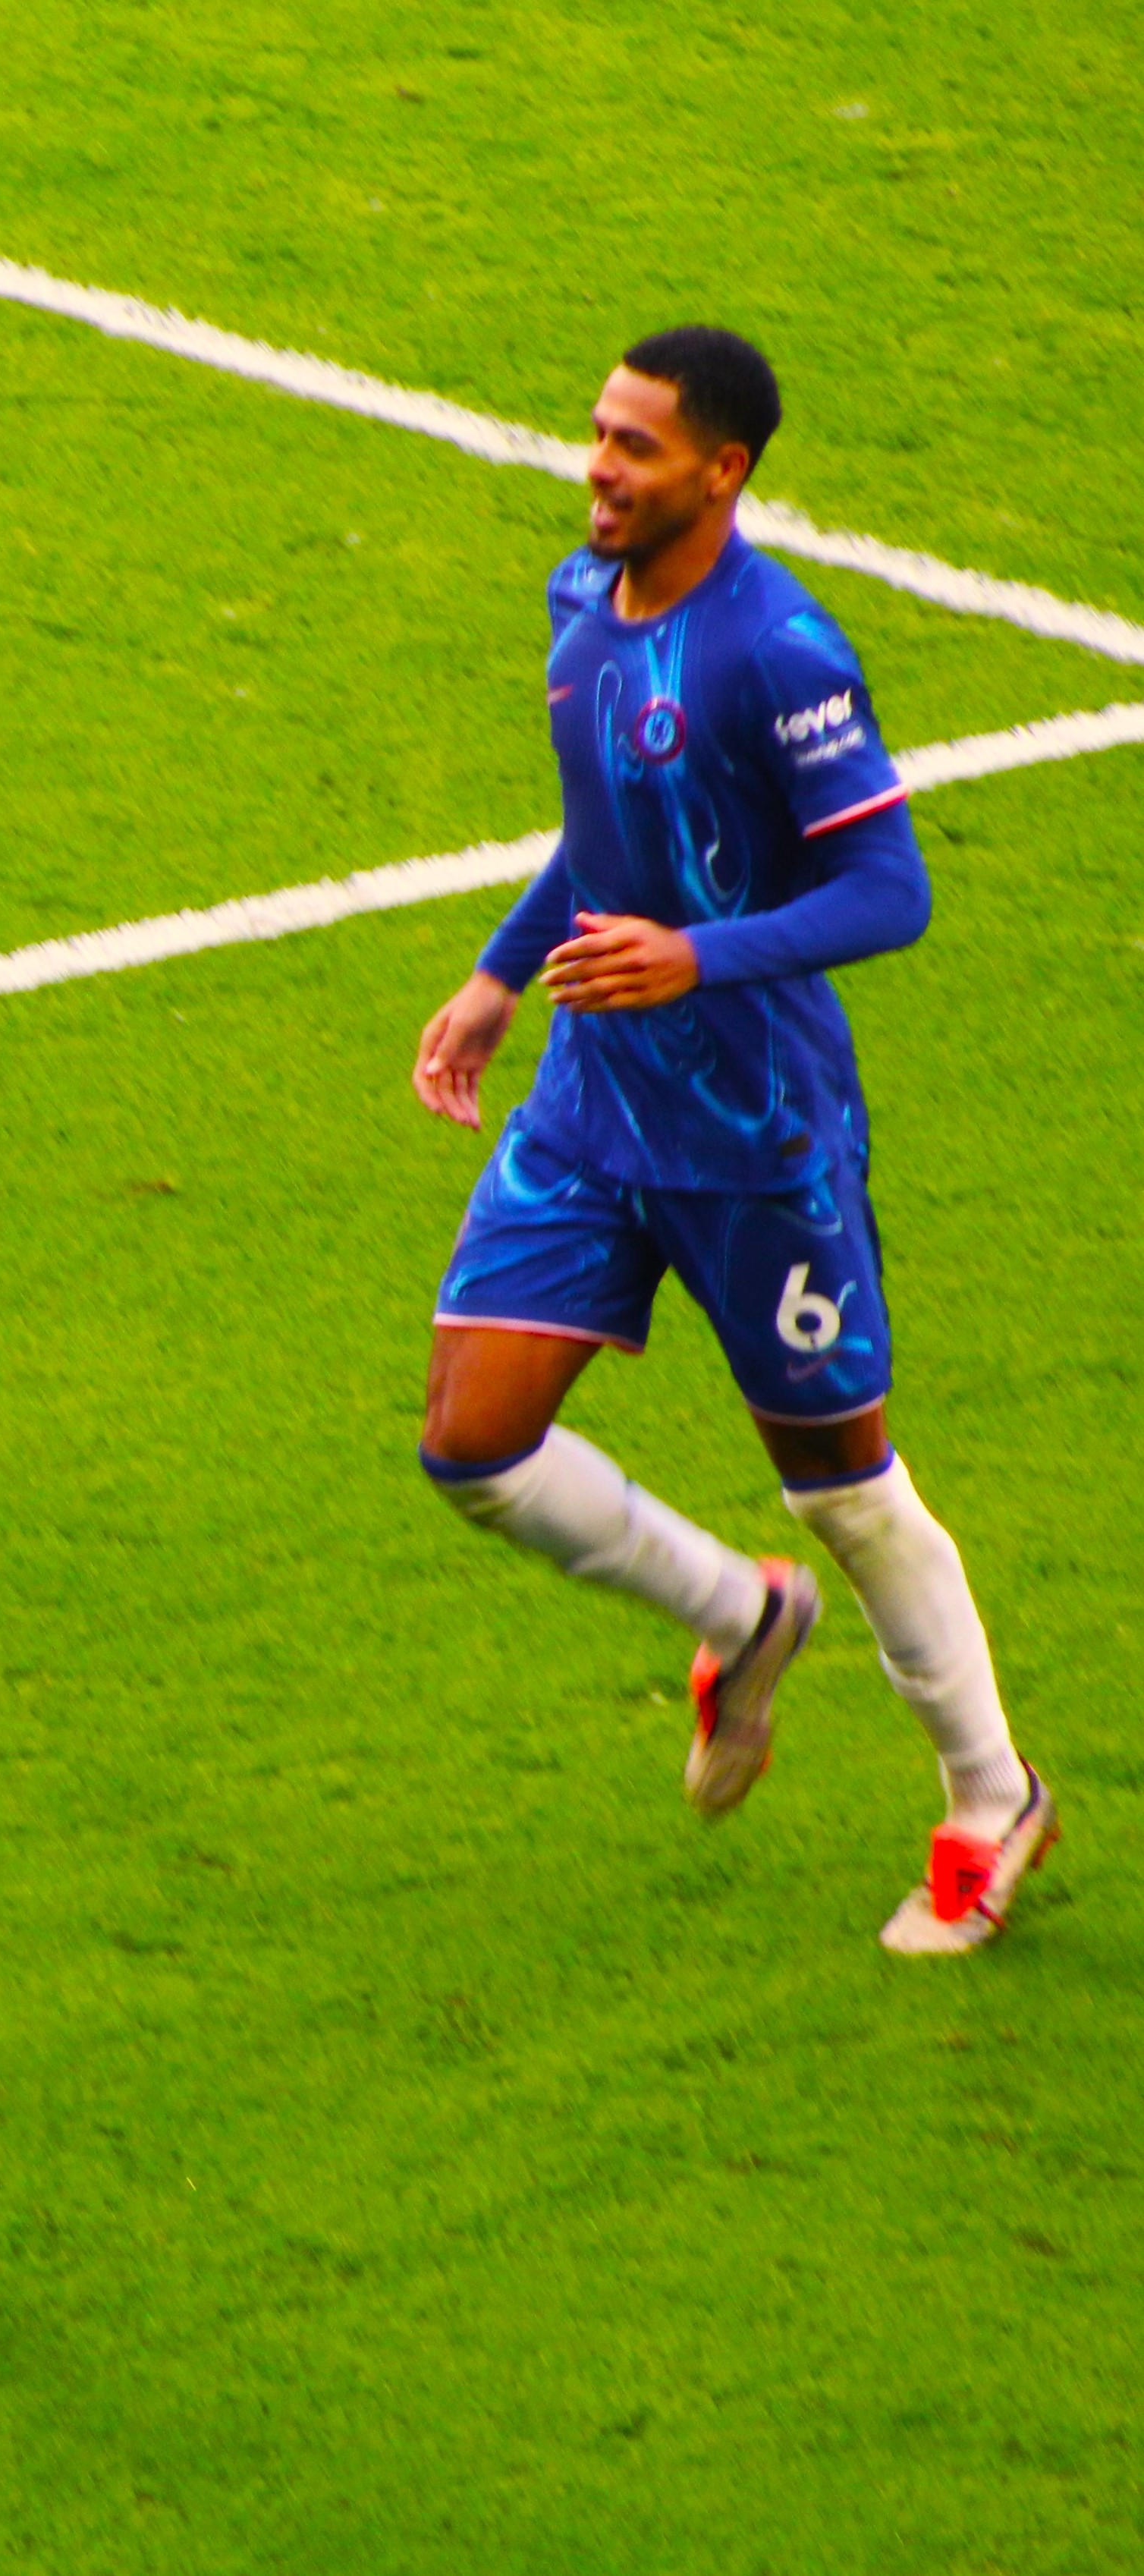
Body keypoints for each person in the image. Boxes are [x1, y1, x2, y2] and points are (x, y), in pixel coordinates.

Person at [411, 328, 1057, 1953]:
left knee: (844, 1488)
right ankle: (739, 1614)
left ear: (725, 469)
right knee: (473, 1443)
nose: (598, 467)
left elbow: (888, 892)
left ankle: (991, 1798)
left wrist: (695, 957)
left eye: (635, 447)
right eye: (597, 433)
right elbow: (606, 830)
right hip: (593, 1104)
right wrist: (500, 975)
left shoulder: (781, 654)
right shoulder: (582, 598)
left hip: (758, 1134)